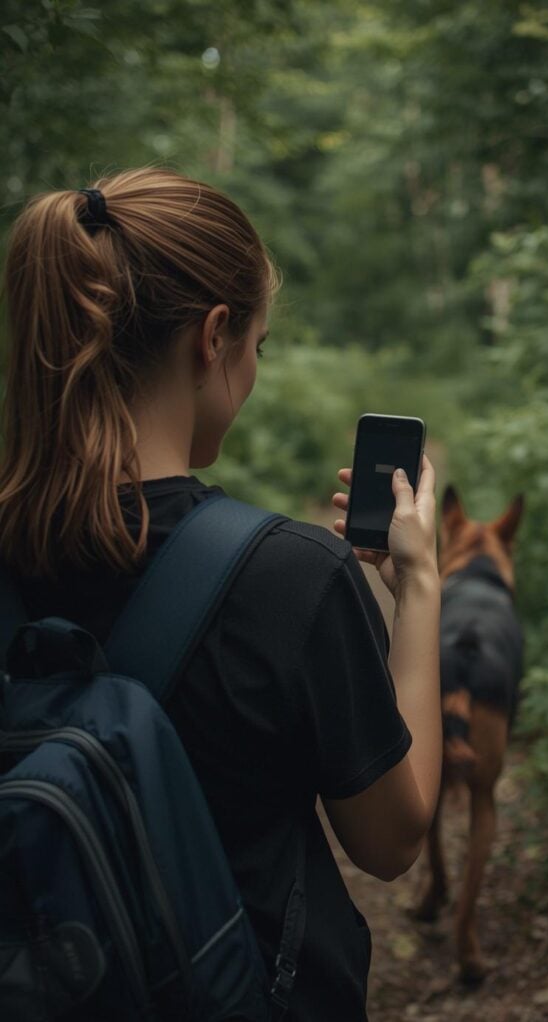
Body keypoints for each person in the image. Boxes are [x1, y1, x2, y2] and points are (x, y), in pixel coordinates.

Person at [0, 168, 441, 1021]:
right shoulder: (290, 578)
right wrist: (418, 588)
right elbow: (391, 841)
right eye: (259, 343)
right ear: (214, 338)